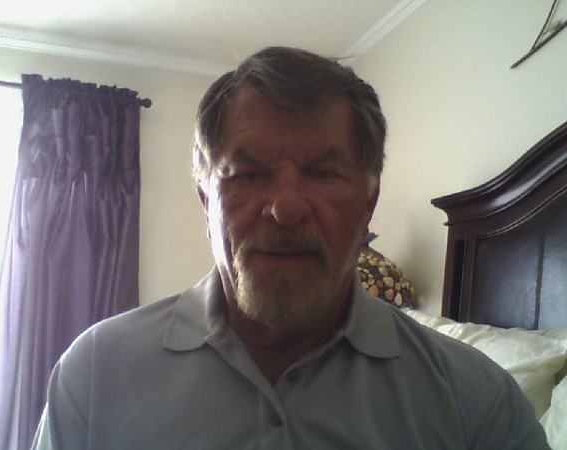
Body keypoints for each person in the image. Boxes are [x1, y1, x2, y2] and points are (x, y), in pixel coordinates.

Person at [31, 47, 549, 449]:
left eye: (323, 173)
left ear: (368, 204)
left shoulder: (476, 402)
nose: (285, 208)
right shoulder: (96, 374)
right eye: (249, 174)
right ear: (206, 202)